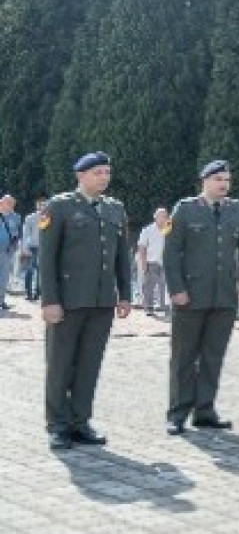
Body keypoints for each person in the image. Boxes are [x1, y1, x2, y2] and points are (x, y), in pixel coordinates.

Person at [39, 152, 132, 449]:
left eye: (107, 172)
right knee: (60, 364)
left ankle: (80, 421)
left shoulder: (115, 209)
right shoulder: (60, 206)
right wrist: (49, 300)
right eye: (98, 173)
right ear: (81, 176)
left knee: (89, 364)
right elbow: (47, 258)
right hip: (67, 301)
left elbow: (122, 258)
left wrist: (126, 295)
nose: (104, 177)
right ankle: (57, 425)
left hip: (102, 302)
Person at [163, 160, 239, 435]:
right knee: (184, 356)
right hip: (190, 296)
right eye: (217, 179)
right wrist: (176, 288)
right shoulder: (185, 209)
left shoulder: (238, 210)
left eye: (227, 179)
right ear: (204, 181)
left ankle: (205, 410)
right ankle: (178, 413)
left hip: (224, 296)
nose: (223, 184)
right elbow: (171, 252)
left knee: (213, 356)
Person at [134, 207, 169, 316]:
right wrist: (143, 264)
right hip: (151, 261)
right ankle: (148, 308)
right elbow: (142, 247)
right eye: (161, 216)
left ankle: (163, 306)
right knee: (149, 286)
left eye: (165, 216)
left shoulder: (168, 229)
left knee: (163, 285)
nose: (164, 218)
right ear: (155, 217)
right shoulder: (147, 230)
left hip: (165, 262)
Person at [19, 197, 44, 302]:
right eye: (41, 205)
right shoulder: (30, 218)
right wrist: (24, 247)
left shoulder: (50, 217)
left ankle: (37, 293)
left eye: (45, 205)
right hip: (32, 247)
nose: (43, 207)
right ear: (37, 205)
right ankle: (28, 293)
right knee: (29, 271)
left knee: (41, 272)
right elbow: (25, 233)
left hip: (44, 247)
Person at [0, 194, 19, 310]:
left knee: (4, 278)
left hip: (7, 252)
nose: (11, 206)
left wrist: (15, 245)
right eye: (8, 203)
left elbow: (16, 233)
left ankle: (1, 301)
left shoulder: (16, 217)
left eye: (12, 204)